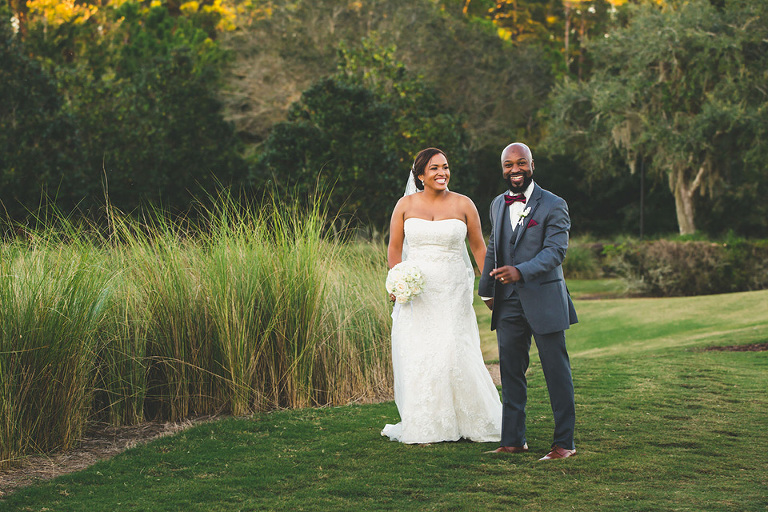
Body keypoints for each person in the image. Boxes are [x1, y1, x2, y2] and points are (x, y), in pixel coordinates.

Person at [381, 147, 502, 444]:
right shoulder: (405, 205)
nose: (442, 173)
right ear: (420, 175)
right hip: (417, 293)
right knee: (421, 353)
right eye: (434, 168)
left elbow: (479, 250)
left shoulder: (464, 204)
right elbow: (394, 250)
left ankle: (471, 419)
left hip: (452, 288)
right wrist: (399, 283)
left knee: (453, 349)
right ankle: (428, 423)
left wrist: (489, 288)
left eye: (445, 167)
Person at [478, 142, 578, 460]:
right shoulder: (496, 204)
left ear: (532, 164)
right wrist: (486, 290)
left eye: (521, 163)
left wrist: (519, 271)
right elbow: (494, 247)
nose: (515, 170)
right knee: (510, 372)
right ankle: (513, 440)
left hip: (544, 299)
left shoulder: (554, 204)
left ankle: (564, 444)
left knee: (555, 372)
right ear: (503, 169)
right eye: (509, 165)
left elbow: (555, 252)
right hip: (507, 302)